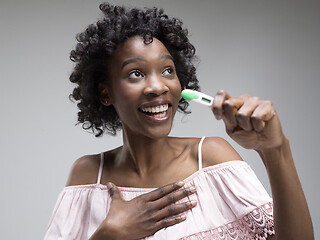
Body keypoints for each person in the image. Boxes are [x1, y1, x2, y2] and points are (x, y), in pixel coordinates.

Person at [45, 3, 314, 240]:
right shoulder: (90, 175)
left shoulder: (211, 159)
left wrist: (275, 150)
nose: (157, 86)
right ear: (105, 93)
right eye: (136, 73)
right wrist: (109, 236)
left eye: (167, 70)